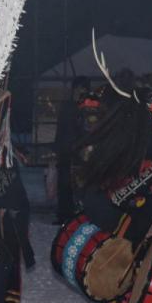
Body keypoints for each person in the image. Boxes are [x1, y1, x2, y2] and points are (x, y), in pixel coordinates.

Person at [53, 76, 90, 224]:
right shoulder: (67, 106)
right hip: (65, 150)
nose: (80, 91)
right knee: (64, 184)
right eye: (78, 88)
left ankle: (81, 215)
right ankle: (64, 215)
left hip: (80, 152)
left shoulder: (87, 107)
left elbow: (87, 129)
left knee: (81, 185)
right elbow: (60, 128)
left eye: (83, 89)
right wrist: (57, 147)